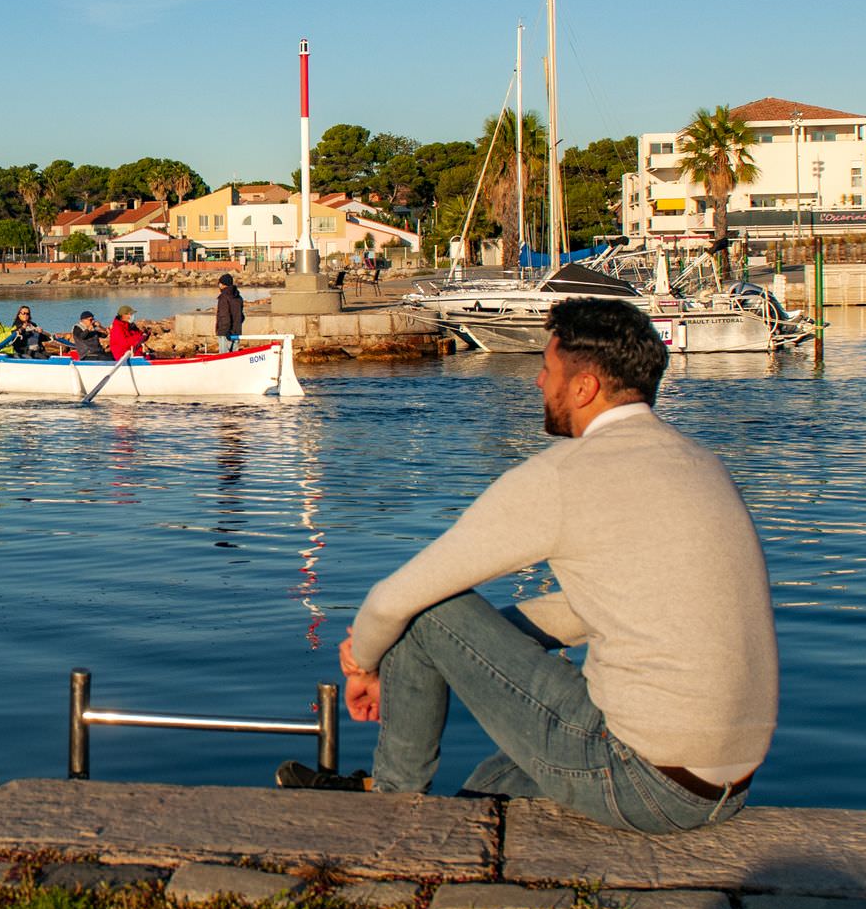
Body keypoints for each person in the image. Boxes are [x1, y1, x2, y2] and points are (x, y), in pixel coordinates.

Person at [286, 299, 777, 835]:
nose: (538, 382)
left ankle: (388, 803)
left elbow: (395, 598)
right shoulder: (699, 463)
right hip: (721, 784)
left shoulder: (568, 474)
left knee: (427, 609)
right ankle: (422, 809)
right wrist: (461, 653)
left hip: (641, 778)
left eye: (547, 369)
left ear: (584, 387)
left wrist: (365, 660)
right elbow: (588, 610)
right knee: (486, 792)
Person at [215, 274, 245, 353]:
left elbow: (224, 316)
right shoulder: (238, 297)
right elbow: (241, 316)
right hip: (236, 331)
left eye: (220, 283)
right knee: (234, 356)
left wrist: (225, 331)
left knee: (224, 357)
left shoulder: (223, 297)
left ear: (223, 284)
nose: (219, 285)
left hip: (225, 333)